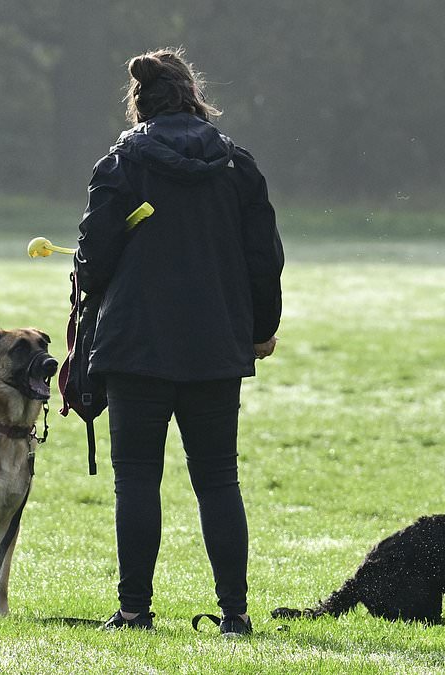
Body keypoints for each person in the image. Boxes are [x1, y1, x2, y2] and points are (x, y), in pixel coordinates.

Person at [73, 48, 283, 637]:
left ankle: (135, 610)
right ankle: (235, 614)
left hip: (136, 345)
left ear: (140, 101)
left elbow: (92, 263)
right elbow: (263, 259)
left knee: (136, 477)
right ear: (194, 97)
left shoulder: (120, 164)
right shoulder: (237, 166)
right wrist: (261, 329)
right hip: (215, 344)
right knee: (218, 478)